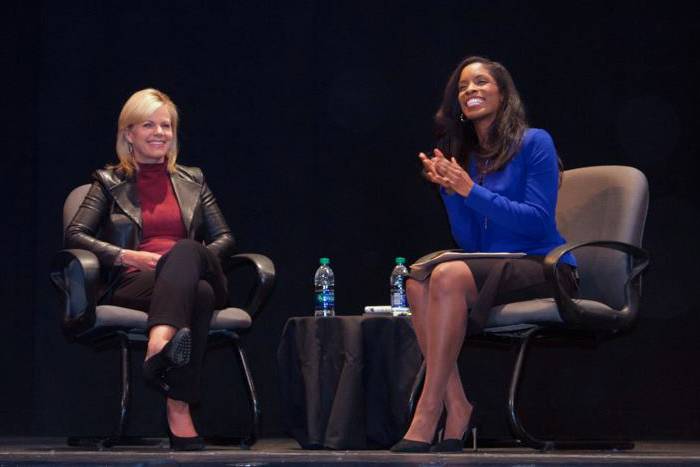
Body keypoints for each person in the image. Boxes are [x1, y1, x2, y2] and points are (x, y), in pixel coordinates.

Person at [390, 56, 579, 453]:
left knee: (445, 275)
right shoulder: (470, 159)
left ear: (503, 93)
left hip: (544, 263)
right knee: (416, 283)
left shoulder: (535, 142)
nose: (470, 91)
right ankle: (457, 406)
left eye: (480, 83)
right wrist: (451, 191)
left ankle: (428, 411)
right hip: (492, 264)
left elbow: (537, 222)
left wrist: (470, 191)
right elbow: (472, 241)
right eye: (463, 87)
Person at [66, 88, 235, 451]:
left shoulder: (194, 180)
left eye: (167, 125)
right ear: (129, 133)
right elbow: (75, 235)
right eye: (149, 125)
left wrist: (188, 258)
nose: (160, 133)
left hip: (199, 269)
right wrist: (128, 257)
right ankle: (178, 407)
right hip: (137, 282)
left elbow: (224, 238)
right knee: (199, 295)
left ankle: (158, 341)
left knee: (188, 252)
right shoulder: (109, 183)